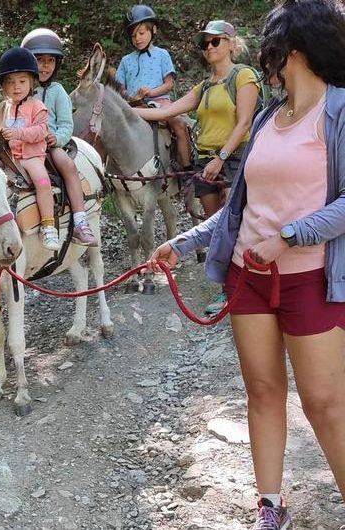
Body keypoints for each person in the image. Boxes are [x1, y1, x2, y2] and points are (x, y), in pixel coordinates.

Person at [146, 1, 345, 528]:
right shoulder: (266, 118)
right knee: (261, 390)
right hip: (247, 277)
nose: (267, 56)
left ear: (293, 48)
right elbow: (241, 204)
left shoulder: (340, 109)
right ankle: (270, 506)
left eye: (273, 46)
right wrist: (185, 242)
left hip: (310, 279)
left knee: (324, 404)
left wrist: (291, 236)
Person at [135, 19, 259, 315]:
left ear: (231, 43)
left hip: (237, 158)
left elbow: (244, 121)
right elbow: (167, 111)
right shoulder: (203, 87)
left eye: (215, 41)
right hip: (206, 161)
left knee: (236, 223)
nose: (209, 48)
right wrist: (119, 108)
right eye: (205, 44)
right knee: (217, 228)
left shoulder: (244, 76)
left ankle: (249, 284)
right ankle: (227, 287)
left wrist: (222, 158)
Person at [21, 28, 97, 246]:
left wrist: (58, 138)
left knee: (67, 165)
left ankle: (80, 221)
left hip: (48, 142)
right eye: (39, 60)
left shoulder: (58, 91)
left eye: (50, 60)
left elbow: (66, 124)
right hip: (21, 142)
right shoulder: (21, 87)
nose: (45, 66)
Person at [0, 47, 59, 251]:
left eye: (22, 81)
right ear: (3, 85)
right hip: (9, 157)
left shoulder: (37, 106)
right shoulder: (3, 108)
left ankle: (48, 225)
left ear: (31, 82)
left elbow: (41, 130)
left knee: (42, 181)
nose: (16, 87)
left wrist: (18, 134)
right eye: (10, 82)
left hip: (31, 156)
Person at [116, 4, 192, 170]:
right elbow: (120, 89)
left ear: (154, 30)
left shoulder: (162, 54)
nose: (138, 39)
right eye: (134, 35)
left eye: (142, 33)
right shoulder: (125, 61)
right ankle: (105, 172)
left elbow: (169, 84)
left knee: (179, 123)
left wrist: (151, 92)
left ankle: (187, 168)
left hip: (160, 102)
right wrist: (131, 97)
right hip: (134, 106)